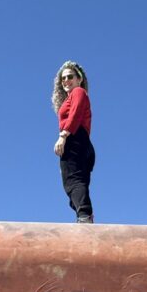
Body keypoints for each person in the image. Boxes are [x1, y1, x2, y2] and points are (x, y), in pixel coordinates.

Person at [52, 61, 95, 223]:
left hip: (75, 139)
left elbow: (75, 114)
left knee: (73, 181)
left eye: (70, 76)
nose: (66, 80)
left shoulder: (78, 91)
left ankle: (84, 216)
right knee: (77, 182)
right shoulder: (75, 95)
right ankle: (84, 217)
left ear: (79, 79)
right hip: (82, 143)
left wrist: (63, 136)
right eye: (63, 78)